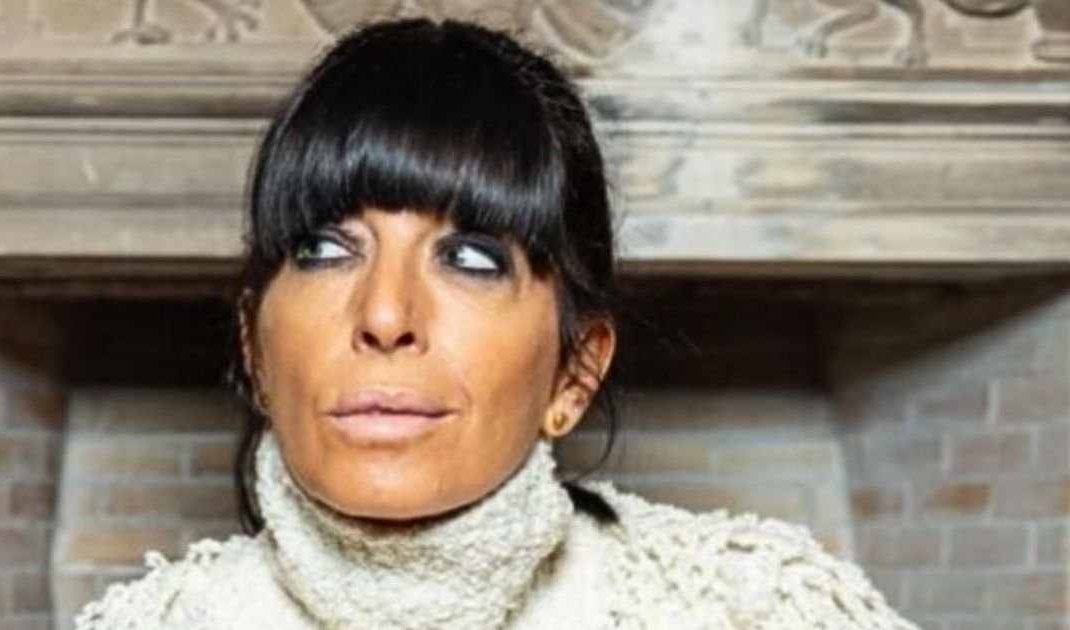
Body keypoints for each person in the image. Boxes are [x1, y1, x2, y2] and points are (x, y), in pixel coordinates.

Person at [74, 17, 918, 630]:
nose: (385, 315)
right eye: (326, 250)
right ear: (254, 348)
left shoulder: (761, 612)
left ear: (575, 371)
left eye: (471, 258)